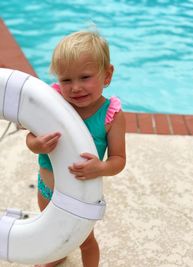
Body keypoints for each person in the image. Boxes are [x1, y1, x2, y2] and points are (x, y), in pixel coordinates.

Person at [26, 30, 126, 267]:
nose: (75, 88)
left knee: (85, 240)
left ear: (107, 75)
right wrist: (37, 144)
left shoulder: (110, 116)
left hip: (80, 197)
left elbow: (119, 160)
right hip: (46, 188)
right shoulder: (54, 102)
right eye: (66, 80)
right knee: (51, 231)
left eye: (85, 77)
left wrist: (100, 167)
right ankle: (57, 254)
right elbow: (30, 138)